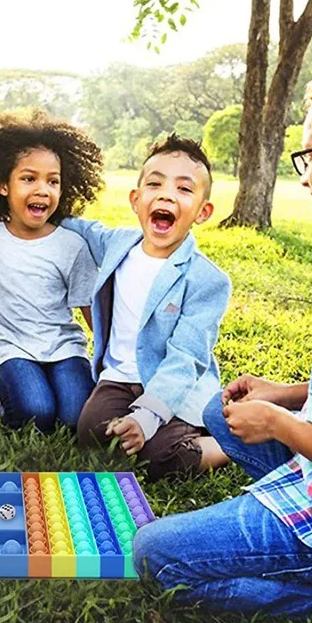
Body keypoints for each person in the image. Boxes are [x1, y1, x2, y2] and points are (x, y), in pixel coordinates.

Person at [134, 45, 312, 623]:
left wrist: (277, 423)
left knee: (156, 554)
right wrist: (284, 395)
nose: (306, 181)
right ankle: (278, 509)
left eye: (309, 158)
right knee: (218, 413)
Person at [64, 134, 231, 480]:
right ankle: (152, 430)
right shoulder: (117, 244)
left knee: (157, 457)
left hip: (174, 385)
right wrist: (38, 210)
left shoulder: (207, 280)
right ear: (136, 200)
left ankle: (223, 443)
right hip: (119, 378)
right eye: (155, 184)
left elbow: (186, 358)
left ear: (203, 212)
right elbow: (79, 227)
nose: (167, 194)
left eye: (184, 189)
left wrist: (146, 416)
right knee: (92, 435)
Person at [0, 112, 102, 432]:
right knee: (35, 414)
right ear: (3, 185)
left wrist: (113, 358)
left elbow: (87, 306)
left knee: (73, 419)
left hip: (65, 348)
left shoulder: (72, 245)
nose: (43, 189)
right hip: (12, 348)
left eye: (52, 181)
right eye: (29, 179)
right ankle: (0, 385)